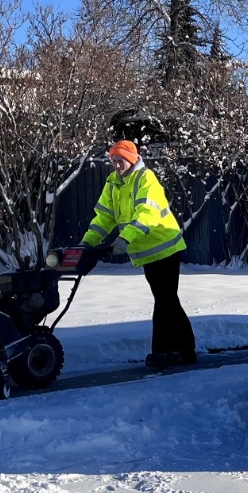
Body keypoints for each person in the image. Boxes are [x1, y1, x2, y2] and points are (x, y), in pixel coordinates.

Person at [77, 139, 196, 369]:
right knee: (168, 300)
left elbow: (146, 214)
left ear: (131, 160)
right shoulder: (113, 184)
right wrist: (86, 244)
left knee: (164, 300)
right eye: (113, 161)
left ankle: (162, 352)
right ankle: (185, 349)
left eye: (120, 160)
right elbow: (104, 217)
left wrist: (125, 238)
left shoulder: (146, 179)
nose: (117, 165)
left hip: (165, 247)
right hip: (147, 252)